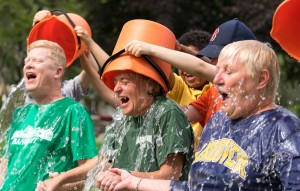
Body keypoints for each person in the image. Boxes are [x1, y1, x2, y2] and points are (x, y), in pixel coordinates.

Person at [99, 40, 300, 191]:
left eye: (228, 72)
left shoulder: (283, 129)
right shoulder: (217, 124)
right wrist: (132, 181)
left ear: (261, 79)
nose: (217, 79)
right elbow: (193, 188)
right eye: (218, 71)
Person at [75, 19, 194, 190]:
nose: (116, 88)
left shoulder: (168, 112)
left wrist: (125, 175)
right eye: (115, 81)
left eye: (124, 81)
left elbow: (170, 175)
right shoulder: (122, 118)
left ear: (149, 85)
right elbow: (101, 170)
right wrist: (62, 184)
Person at [0, 40, 98, 191]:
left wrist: (60, 184)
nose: (28, 65)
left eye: (37, 60)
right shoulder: (21, 114)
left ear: (57, 72)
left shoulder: (73, 112)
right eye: (27, 61)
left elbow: (91, 172)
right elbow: (5, 165)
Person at [167, 29, 212, 151]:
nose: (186, 68)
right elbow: (162, 70)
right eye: (182, 62)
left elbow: (210, 67)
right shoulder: (181, 88)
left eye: (190, 61)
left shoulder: (218, 87)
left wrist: (181, 49)